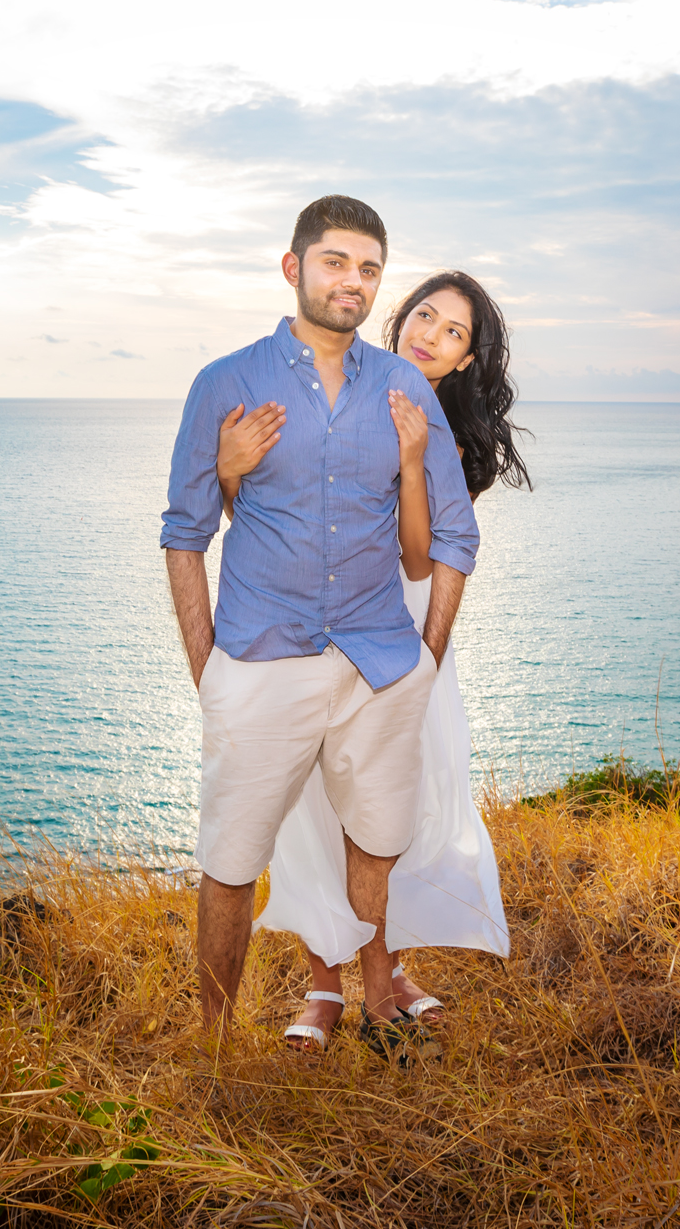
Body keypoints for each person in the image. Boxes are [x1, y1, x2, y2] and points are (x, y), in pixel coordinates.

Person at [159, 195, 481, 1058]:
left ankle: (374, 1001)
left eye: (369, 268)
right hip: (262, 660)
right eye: (336, 261)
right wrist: (210, 669)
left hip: (380, 664)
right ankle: (215, 1052)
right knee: (230, 866)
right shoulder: (228, 383)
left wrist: (426, 659)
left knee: (375, 845)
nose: (354, 281)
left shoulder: (406, 387)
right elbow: (184, 533)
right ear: (294, 267)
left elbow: (453, 534)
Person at [223, 272, 528, 1052]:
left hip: (394, 624)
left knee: (388, 803)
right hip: (303, 619)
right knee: (309, 806)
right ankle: (332, 979)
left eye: (454, 331)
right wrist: (230, 468)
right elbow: (257, 507)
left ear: (465, 360)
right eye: (424, 314)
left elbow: (420, 560)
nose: (430, 332)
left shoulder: (439, 434)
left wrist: (417, 457)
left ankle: (381, 971)